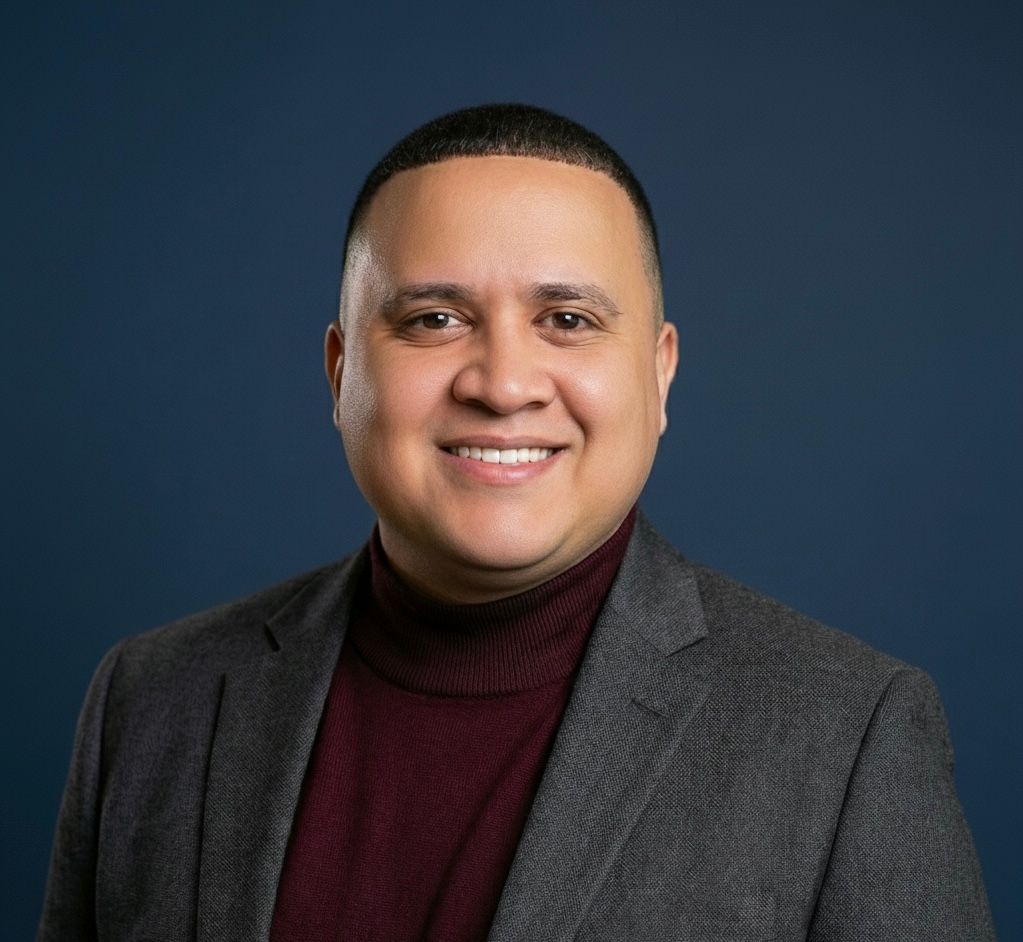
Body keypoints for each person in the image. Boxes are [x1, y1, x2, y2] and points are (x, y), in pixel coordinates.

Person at [38, 104, 996, 941]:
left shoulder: (844, 736)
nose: (500, 385)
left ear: (659, 375)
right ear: (339, 374)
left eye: (568, 320)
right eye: (433, 320)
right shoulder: (149, 700)